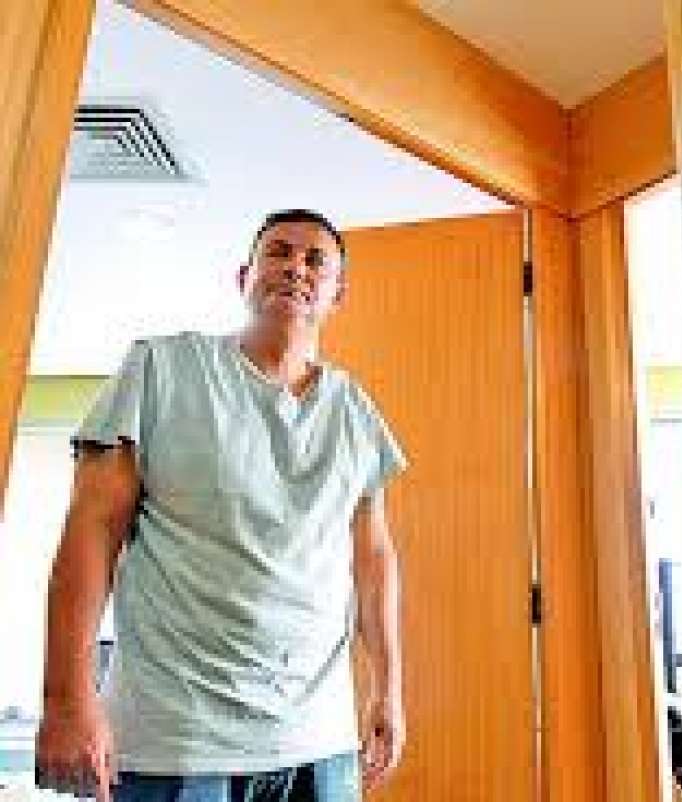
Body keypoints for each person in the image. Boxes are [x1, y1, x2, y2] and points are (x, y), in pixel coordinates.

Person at [35, 209, 407, 802]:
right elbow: (91, 531)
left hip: (320, 741)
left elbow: (374, 559)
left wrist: (389, 689)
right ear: (244, 277)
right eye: (278, 252)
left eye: (316, 261)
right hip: (178, 741)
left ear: (338, 293)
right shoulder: (161, 370)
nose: (296, 268)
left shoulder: (355, 412)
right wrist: (66, 700)